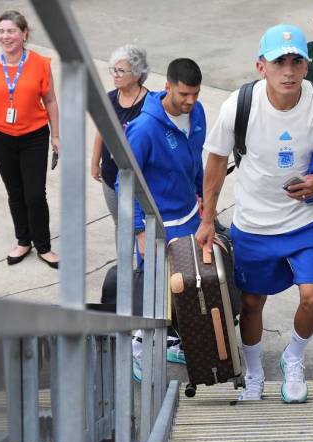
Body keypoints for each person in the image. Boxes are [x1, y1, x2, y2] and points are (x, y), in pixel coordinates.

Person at [195, 24, 313, 403]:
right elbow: (217, 160)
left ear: (306, 65)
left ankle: (294, 358)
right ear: (261, 67)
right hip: (254, 223)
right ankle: (253, 372)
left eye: (296, 61)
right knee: (252, 304)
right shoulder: (239, 105)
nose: (288, 70)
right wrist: (207, 219)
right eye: (279, 62)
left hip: (308, 220)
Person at [124, 58, 206, 382]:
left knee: (187, 285)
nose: (190, 102)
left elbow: (197, 156)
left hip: (190, 213)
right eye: (184, 94)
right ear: (168, 86)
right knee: (156, 291)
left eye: (195, 94)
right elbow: (125, 180)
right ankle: (138, 349)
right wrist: (139, 228)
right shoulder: (144, 129)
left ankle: (175, 339)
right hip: (158, 220)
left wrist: (203, 200)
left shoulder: (197, 112)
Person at [0, 10, 60, 269]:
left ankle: (43, 246)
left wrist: (56, 135)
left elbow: (51, 100)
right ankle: (23, 241)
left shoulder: (40, 64)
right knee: (15, 192)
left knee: (34, 194)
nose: (5, 36)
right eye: (1, 31)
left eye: (11, 31)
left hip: (34, 136)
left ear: (24, 34)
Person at [90, 45, 149, 240]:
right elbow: (101, 131)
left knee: (140, 227)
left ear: (137, 73)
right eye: (113, 69)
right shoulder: (110, 99)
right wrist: (94, 163)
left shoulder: (149, 104)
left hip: (138, 179)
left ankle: (141, 268)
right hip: (110, 175)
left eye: (121, 71)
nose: (115, 75)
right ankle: (125, 268)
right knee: (121, 225)